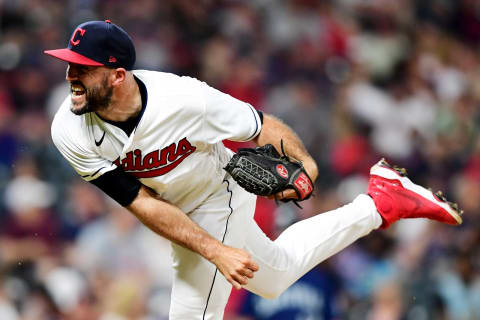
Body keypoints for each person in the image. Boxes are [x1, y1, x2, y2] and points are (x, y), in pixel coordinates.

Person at [44, 20, 463, 319]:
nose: (70, 75)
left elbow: (262, 126)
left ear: (117, 75)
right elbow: (141, 202)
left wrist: (309, 168)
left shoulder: (186, 100)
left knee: (192, 314)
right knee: (274, 274)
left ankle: (379, 202)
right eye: (69, 64)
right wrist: (214, 250)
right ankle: (379, 203)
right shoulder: (70, 128)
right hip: (171, 208)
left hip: (217, 192)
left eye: (82, 68)